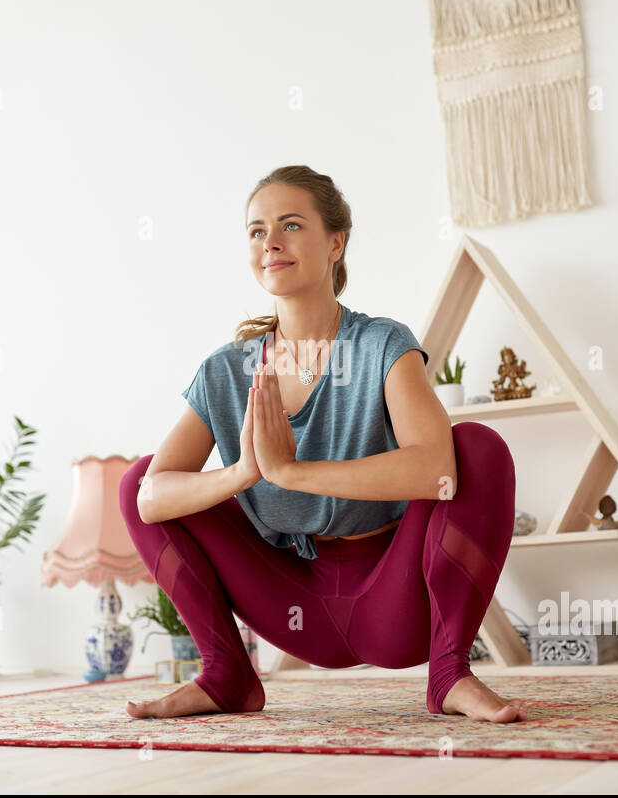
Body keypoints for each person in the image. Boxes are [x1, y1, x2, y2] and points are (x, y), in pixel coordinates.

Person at [118, 165, 525, 722]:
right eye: (257, 230)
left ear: (336, 242)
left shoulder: (383, 344)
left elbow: (437, 470)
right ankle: (227, 674)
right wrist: (242, 474)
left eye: (290, 225)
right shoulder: (224, 370)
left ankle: (450, 673)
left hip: (394, 604)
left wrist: (290, 471)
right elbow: (149, 499)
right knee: (137, 478)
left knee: (477, 447)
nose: (271, 243)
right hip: (293, 603)